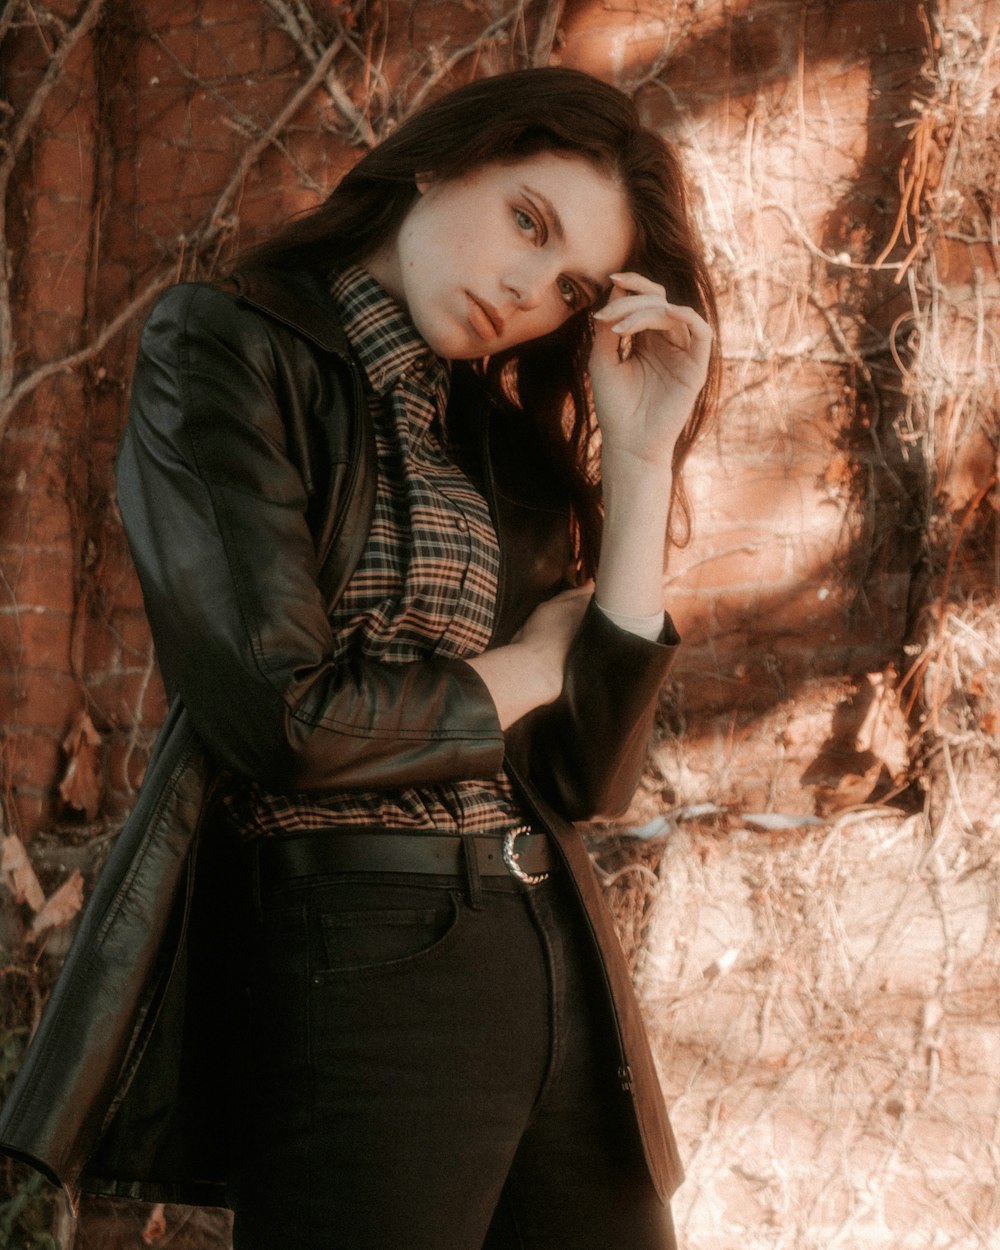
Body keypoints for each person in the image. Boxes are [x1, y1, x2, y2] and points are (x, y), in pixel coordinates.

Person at [0, 66, 718, 1249]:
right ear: (440, 158)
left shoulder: (497, 447)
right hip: (363, 950)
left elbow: (588, 779)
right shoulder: (225, 348)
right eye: (525, 221)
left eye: (567, 286)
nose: (522, 288)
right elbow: (278, 715)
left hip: (555, 960)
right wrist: (534, 665)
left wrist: (640, 464)